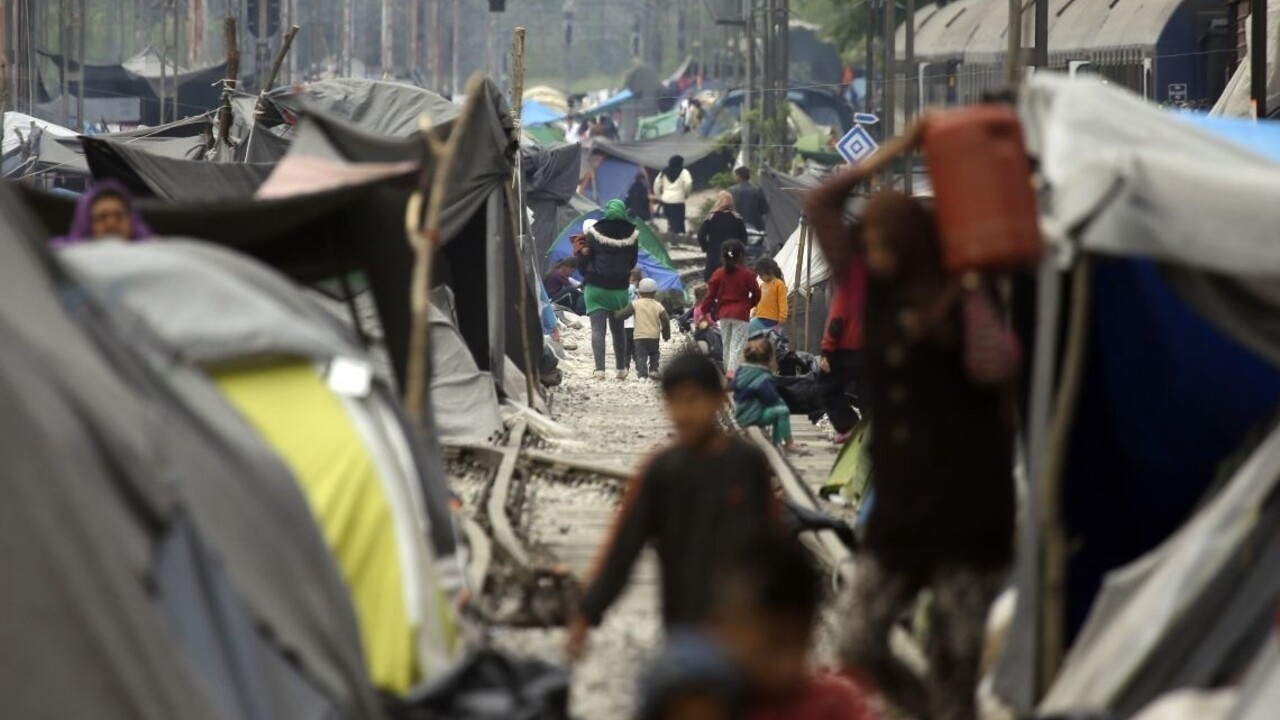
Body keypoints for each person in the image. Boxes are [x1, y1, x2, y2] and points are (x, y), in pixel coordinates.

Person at [807, 138, 1019, 720]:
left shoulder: (962, 296)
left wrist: (972, 297)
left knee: (958, 654)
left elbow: (998, 365)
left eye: (885, 241)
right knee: (856, 639)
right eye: (868, 241)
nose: (873, 252)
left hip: (967, 512)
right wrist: (896, 149)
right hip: (900, 512)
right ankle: (923, 709)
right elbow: (822, 205)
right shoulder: (871, 292)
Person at [567, 352, 780, 658]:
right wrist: (587, 613)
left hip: (743, 629)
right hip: (684, 628)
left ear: (719, 399)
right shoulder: (662, 471)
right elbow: (624, 546)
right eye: (673, 402)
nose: (682, 413)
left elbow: (773, 544)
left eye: (692, 399)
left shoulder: (747, 465)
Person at [713, 541, 883, 720]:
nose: (785, 666)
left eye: (796, 643)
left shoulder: (836, 703)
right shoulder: (704, 699)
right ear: (724, 627)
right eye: (772, 644)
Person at [577, 201, 642, 380]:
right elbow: (633, 262)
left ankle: (600, 370)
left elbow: (585, 258)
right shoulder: (633, 234)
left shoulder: (594, 232)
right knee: (618, 330)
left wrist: (586, 275)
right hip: (619, 289)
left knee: (598, 330)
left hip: (596, 287)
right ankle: (621, 369)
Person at [699, 241, 759, 379]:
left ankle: (728, 372)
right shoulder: (747, 274)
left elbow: (709, 295)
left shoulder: (718, 273)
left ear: (723, 256)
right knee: (738, 345)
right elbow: (757, 294)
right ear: (741, 255)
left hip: (724, 314)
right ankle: (733, 374)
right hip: (741, 315)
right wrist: (748, 305)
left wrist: (704, 311)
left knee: (726, 344)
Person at [733, 337, 803, 454]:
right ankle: (789, 444)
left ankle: (777, 444)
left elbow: (734, 387)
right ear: (769, 358)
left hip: (741, 413)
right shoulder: (763, 376)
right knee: (782, 411)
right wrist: (781, 402)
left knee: (777, 412)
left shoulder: (741, 370)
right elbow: (771, 398)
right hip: (752, 416)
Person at [54, 181, 152, 246]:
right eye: (102, 217)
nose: (111, 223)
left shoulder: (154, 253)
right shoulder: (60, 258)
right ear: (88, 224)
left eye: (119, 216)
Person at [617, 277, 671, 380]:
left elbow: (623, 314)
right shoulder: (658, 305)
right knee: (654, 353)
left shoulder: (635, 304)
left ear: (640, 292)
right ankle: (653, 370)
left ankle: (642, 375)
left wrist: (616, 315)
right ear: (654, 292)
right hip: (654, 336)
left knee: (641, 356)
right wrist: (666, 334)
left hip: (639, 336)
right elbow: (666, 320)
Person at [697, 191, 749, 281]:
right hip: (733, 256)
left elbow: (701, 236)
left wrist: (706, 247)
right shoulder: (737, 218)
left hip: (714, 255)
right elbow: (744, 238)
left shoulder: (711, 217)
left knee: (713, 281)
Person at [654, 155, 694, 235]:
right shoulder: (684, 172)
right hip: (678, 199)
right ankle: (679, 237)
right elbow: (688, 183)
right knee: (679, 220)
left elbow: (657, 183)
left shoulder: (663, 172)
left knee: (670, 220)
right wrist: (686, 194)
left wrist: (659, 196)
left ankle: (671, 236)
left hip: (666, 199)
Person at [729, 167, 769, 233]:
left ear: (738, 177)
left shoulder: (732, 191)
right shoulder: (757, 190)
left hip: (737, 228)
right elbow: (765, 210)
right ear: (749, 176)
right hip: (756, 229)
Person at [752, 259, 788, 329]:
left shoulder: (779, 284)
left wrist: (782, 318)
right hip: (760, 317)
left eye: (761, 274)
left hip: (771, 319)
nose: (759, 277)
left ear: (769, 271)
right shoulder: (762, 285)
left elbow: (782, 303)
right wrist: (754, 313)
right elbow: (758, 301)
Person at [624, 268, 643, 373]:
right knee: (626, 347)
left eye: (634, 281)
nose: (632, 284)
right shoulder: (624, 293)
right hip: (626, 324)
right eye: (630, 281)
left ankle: (640, 368)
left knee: (637, 348)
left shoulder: (641, 294)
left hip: (637, 324)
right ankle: (625, 367)